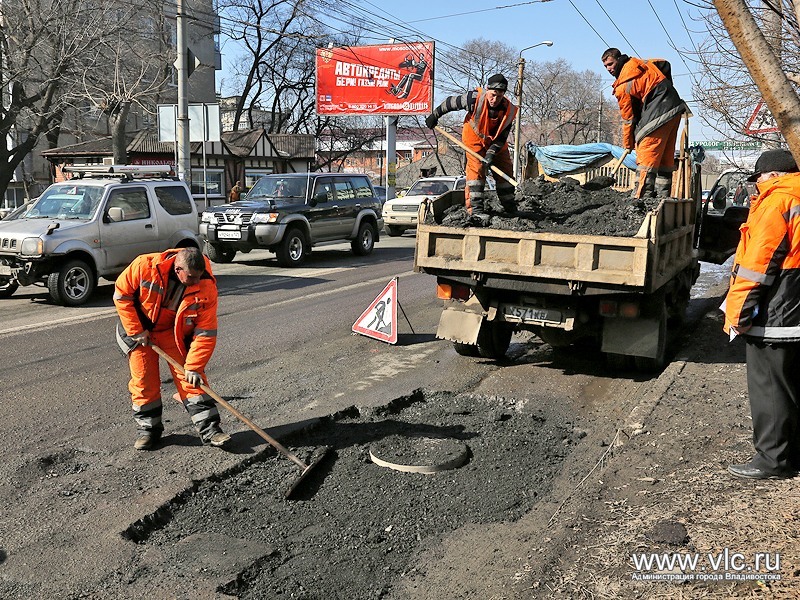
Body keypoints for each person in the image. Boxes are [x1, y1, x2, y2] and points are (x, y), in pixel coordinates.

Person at [722, 148, 800, 480]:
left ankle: (771, 460)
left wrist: (735, 315)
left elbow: (757, 267)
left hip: (776, 312)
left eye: (758, 180)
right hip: (794, 306)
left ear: (771, 176)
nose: (756, 187)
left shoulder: (776, 202)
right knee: (789, 384)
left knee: (769, 386)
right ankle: (790, 452)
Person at [114, 247, 231, 450]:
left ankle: (211, 431)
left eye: (199, 276)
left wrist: (194, 366)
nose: (196, 281)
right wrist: (137, 330)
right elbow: (121, 295)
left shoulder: (206, 286)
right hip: (141, 331)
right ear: (178, 269)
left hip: (171, 331)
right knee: (144, 380)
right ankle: (148, 431)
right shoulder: (144, 266)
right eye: (192, 277)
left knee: (191, 379)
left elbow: (206, 332)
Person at [425, 73, 517, 225]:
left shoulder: (509, 111)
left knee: (505, 170)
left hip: (495, 142)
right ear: (488, 90)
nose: (495, 100)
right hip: (474, 138)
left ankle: (510, 207)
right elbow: (450, 102)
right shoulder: (474, 98)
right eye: (493, 95)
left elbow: (502, 138)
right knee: (476, 171)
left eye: (499, 96)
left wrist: (491, 153)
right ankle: (476, 210)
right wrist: (435, 115)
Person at [601, 48, 687, 199]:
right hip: (675, 109)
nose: (609, 69)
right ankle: (662, 199)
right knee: (664, 160)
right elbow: (664, 64)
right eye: (606, 66)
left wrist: (628, 144)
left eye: (610, 64)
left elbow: (628, 119)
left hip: (658, 113)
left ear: (618, 59)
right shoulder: (642, 64)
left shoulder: (623, 85)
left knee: (646, 155)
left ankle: (641, 199)